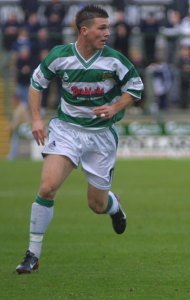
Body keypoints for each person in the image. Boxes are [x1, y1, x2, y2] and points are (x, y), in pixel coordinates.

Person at [15, 5, 144, 274]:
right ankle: (32, 255)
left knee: (96, 204)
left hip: (100, 136)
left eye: (108, 27)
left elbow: (135, 87)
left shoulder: (114, 60)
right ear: (84, 31)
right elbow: (36, 84)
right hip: (67, 130)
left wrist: (115, 108)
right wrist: (37, 119)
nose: (108, 33)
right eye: (102, 28)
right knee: (47, 187)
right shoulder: (60, 56)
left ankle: (114, 205)